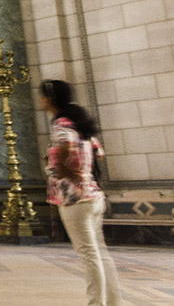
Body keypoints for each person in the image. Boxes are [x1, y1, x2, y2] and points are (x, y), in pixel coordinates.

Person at [41, 79, 121, 306]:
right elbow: (100, 154)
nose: (41, 100)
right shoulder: (80, 124)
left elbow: (66, 146)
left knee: (89, 256)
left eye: (43, 96)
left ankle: (96, 303)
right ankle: (113, 302)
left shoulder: (61, 123)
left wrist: (62, 167)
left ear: (50, 98)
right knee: (100, 254)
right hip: (94, 195)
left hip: (74, 198)